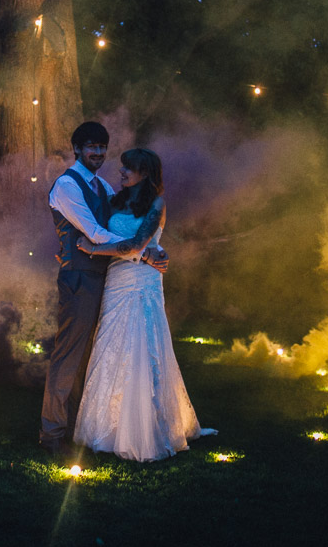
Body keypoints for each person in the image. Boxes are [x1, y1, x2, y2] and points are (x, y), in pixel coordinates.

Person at [73, 148, 214, 462]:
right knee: (111, 346)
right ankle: (106, 426)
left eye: (128, 169)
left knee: (140, 344)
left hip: (141, 281)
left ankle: (143, 430)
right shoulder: (115, 200)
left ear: (146, 173)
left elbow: (135, 244)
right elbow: (104, 232)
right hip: (116, 281)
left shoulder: (156, 204)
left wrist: (95, 250)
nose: (121, 172)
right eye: (122, 167)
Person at [41, 122, 167, 459]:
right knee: (68, 356)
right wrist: (144, 253)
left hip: (111, 280)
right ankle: (52, 435)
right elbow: (95, 233)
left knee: (94, 356)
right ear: (77, 149)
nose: (98, 152)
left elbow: (124, 216)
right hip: (81, 280)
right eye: (91, 147)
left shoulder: (103, 186)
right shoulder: (68, 184)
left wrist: (152, 245)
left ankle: (85, 427)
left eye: (102, 146)